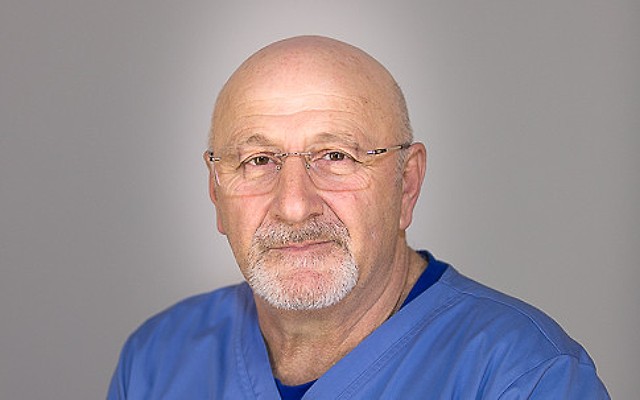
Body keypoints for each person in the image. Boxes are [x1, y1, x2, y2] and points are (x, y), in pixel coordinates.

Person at [108, 35, 609, 399]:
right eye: (258, 161)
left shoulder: (523, 378)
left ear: (406, 183)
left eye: (336, 156)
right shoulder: (157, 360)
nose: (294, 205)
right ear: (216, 191)